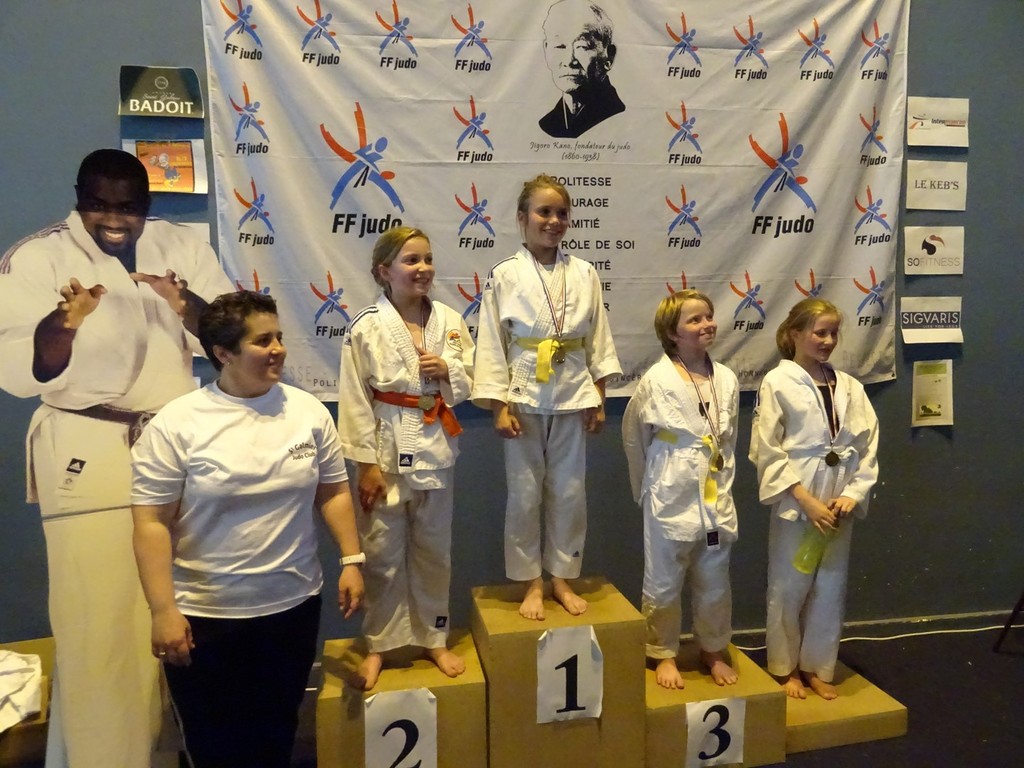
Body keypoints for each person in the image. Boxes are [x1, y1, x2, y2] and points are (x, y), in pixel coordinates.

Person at [0, 148, 233, 768]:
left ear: (146, 205)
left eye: (127, 207)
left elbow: (227, 335)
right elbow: (22, 368)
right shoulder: (37, 257)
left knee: (181, 616)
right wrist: (65, 323)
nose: (112, 219)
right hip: (86, 445)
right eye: (97, 205)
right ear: (78, 200)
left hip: (173, 442)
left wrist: (185, 303)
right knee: (98, 626)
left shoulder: (181, 245)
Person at [131, 291, 365, 767]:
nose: (277, 348)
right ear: (223, 353)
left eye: (278, 337)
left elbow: (334, 492)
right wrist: (163, 610)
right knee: (215, 746)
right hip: (206, 618)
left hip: (291, 608)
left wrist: (351, 559)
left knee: (276, 735)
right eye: (262, 341)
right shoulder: (177, 425)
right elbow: (151, 523)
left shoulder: (308, 412)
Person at [472, 174, 621, 620]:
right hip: (523, 391)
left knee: (570, 492)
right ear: (522, 217)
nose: (554, 221)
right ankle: (530, 582)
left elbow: (598, 337)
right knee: (524, 494)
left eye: (561, 213)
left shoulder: (585, 273)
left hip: (573, 389)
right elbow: (491, 342)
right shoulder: (504, 274)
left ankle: (561, 576)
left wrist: (599, 394)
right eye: (544, 212)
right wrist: (499, 406)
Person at [338, 226, 474, 690]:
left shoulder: (450, 320)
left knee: (434, 552)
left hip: (436, 450)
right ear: (384, 271)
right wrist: (365, 465)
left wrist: (449, 370)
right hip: (386, 453)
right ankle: (379, 644)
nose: (423, 268)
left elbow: (472, 378)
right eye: (411, 260)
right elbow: (355, 398)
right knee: (381, 555)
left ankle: (434, 637)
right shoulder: (365, 326)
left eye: (427, 259)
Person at [749, 298, 879, 700]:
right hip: (799, 497)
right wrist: (804, 499)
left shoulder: (850, 386)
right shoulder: (777, 382)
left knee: (830, 586)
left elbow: (869, 444)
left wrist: (853, 493)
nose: (828, 340)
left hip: (838, 499)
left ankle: (817, 666)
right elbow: (766, 448)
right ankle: (785, 667)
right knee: (789, 585)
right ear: (795, 334)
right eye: (819, 332)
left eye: (833, 333)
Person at [623, 290, 740, 690]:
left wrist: (723, 477)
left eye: (708, 316)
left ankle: (713, 648)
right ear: (672, 333)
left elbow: (729, 439)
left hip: (714, 486)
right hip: (670, 484)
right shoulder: (656, 380)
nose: (707, 324)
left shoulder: (726, 378)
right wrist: (647, 487)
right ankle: (662, 652)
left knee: (715, 577)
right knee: (663, 578)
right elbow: (635, 437)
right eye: (694, 320)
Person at [538, 0, 626, 139]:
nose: (569, 61)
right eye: (559, 46)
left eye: (583, 47)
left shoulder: (619, 117)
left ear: (609, 56)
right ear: (546, 49)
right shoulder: (548, 124)